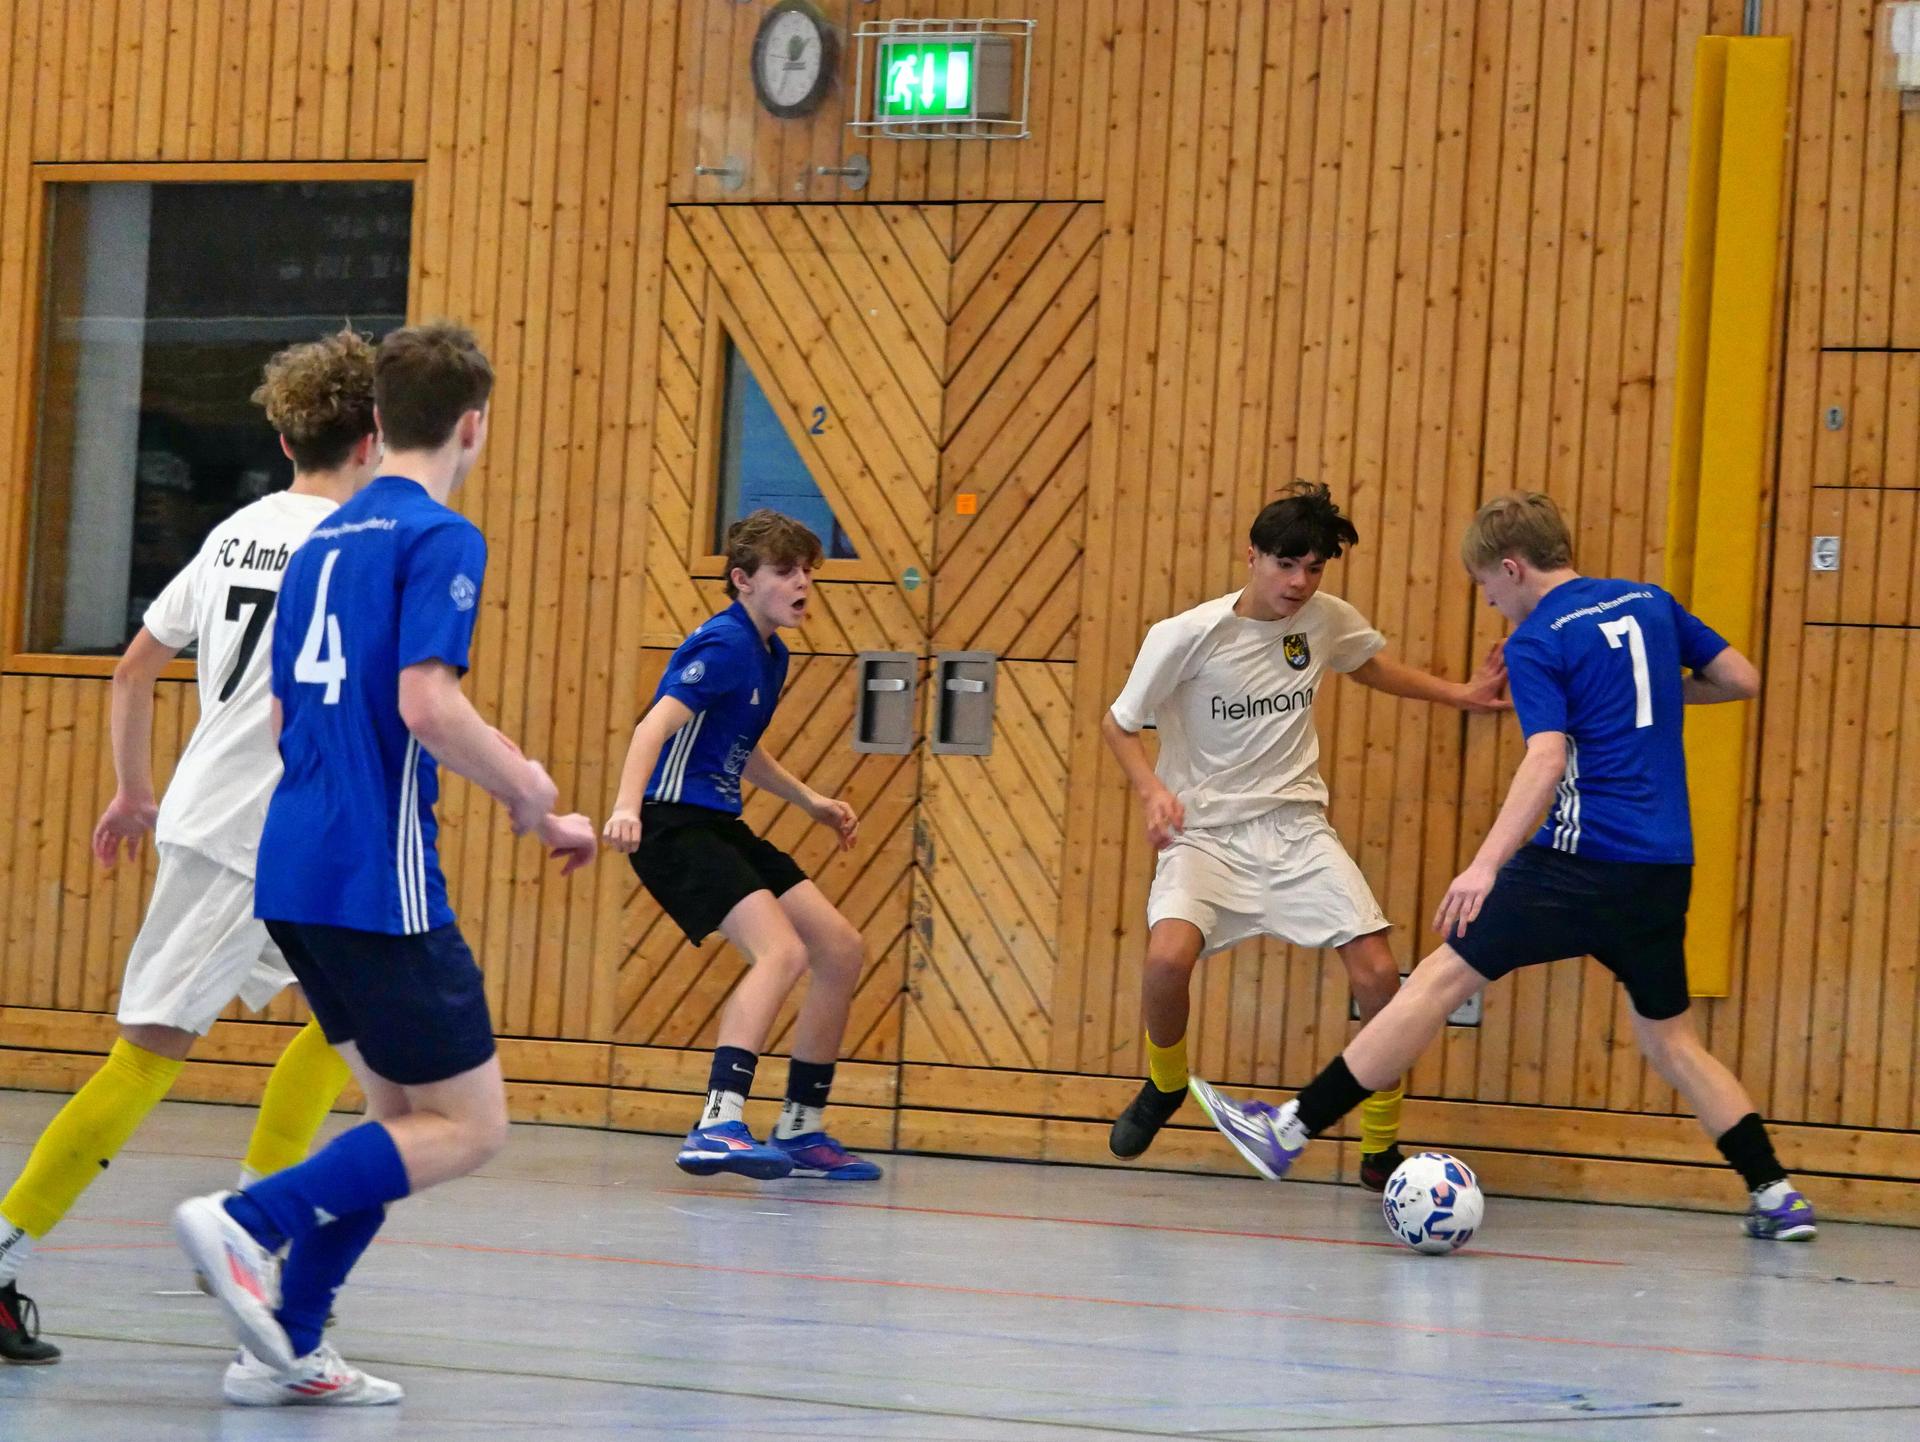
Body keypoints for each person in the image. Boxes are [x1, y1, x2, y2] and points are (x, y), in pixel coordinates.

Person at [1189, 491, 1817, 1242]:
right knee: (1673, 1041)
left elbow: (1546, 757)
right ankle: (1774, 1192)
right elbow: (1740, 678)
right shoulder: (1651, 603)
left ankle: (1289, 1128)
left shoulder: (1540, 638)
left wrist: (1483, 866)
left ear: (1513, 568)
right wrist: (1640, 704)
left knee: (1436, 981)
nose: (1491, 603)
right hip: (1661, 869)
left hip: (1578, 860)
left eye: (1488, 588)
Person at [171, 322, 598, 1407]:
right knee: (470, 1126)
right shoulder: (438, 534)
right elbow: (426, 702)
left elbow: (279, 711)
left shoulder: (320, 540)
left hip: (294, 865)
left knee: (400, 1115)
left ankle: (286, 1344)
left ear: (370, 424)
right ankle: (246, 1219)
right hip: (376, 873)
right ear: (473, 423)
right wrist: (532, 792)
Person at [0, 329, 384, 1366]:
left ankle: (261, 1225)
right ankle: (4, 1255)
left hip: (243, 823)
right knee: (151, 1050)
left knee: (347, 1021)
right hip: (256, 833)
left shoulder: (237, 532)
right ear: (377, 435)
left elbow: (134, 667)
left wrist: (133, 788)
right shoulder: (357, 547)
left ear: (279, 429)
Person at [1102, 481, 1507, 1189]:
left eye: (1314, 568)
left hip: (1295, 829)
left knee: (1381, 976)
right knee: (1167, 961)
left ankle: (1380, 1145)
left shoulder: (1323, 620)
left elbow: (1369, 664)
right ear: (1251, 555)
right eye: (1286, 564)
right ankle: (1165, 1083)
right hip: (1205, 834)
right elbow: (1119, 723)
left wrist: (1460, 695)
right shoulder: (1184, 636)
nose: (1300, 582)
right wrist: (1153, 791)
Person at [603, 509, 878, 1182]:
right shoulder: (724, 645)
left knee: (840, 949)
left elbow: (738, 747)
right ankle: (717, 1124)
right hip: (671, 825)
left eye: (808, 571)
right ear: (742, 580)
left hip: (717, 822)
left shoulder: (770, 653)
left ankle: (802, 1125)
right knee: (780, 951)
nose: (803, 583)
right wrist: (623, 808)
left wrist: (809, 800)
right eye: (786, 572)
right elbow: (653, 728)